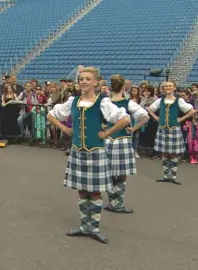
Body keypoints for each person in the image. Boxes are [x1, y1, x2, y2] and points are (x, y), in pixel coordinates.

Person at [47, 67, 130, 244]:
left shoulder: (102, 102)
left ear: (95, 82)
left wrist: (106, 134)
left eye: (87, 79)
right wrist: (64, 129)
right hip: (78, 151)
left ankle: (95, 228)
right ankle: (85, 227)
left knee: (95, 193)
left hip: (96, 153)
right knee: (82, 191)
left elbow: (125, 119)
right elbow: (52, 114)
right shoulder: (73, 101)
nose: (83, 81)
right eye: (81, 79)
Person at [103, 75, 149, 214]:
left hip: (107, 140)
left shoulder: (104, 102)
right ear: (124, 87)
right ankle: (119, 204)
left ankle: (112, 202)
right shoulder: (128, 103)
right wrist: (134, 128)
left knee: (108, 173)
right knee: (121, 175)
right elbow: (145, 117)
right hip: (122, 140)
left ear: (111, 87)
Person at [147, 81, 196, 185]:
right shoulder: (160, 100)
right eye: (166, 86)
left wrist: (181, 119)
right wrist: (156, 117)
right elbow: (149, 109)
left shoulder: (179, 101)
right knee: (164, 153)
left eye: (170, 86)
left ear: (174, 88)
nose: (168, 87)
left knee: (173, 154)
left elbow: (192, 111)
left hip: (174, 129)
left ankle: (173, 176)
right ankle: (165, 176)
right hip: (162, 129)